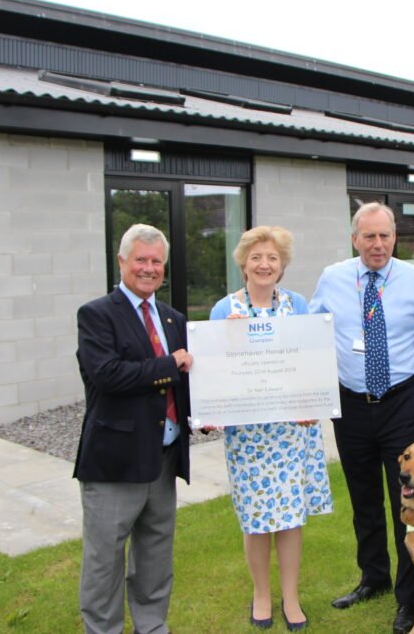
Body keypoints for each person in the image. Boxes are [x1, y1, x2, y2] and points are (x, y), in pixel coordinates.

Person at [309, 202, 414, 634]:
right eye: (369, 236)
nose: (378, 244)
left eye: (385, 235)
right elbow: (310, 334)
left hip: (400, 403)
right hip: (349, 405)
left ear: (395, 237)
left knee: (405, 502)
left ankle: (409, 600)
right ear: (355, 239)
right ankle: (373, 578)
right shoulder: (333, 278)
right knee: (364, 499)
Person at [208, 225, 333, 632]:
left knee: (291, 517)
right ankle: (262, 594)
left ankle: (291, 596)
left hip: (292, 430)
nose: (265, 264)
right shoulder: (224, 310)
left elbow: (311, 360)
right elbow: (213, 372)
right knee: (256, 518)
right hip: (248, 436)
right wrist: (212, 409)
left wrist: (312, 403)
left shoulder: (297, 304)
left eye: (273, 258)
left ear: (282, 266)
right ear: (244, 263)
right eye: (257, 257)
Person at [74, 223, 193, 634]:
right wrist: (168, 365)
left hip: (163, 459)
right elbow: (107, 375)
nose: (149, 268)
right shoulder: (96, 315)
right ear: (122, 261)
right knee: (105, 559)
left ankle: (151, 625)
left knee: (155, 554)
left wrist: (207, 412)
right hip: (115, 463)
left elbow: (186, 381)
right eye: (140, 259)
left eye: (156, 261)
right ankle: (103, 630)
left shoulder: (173, 318)